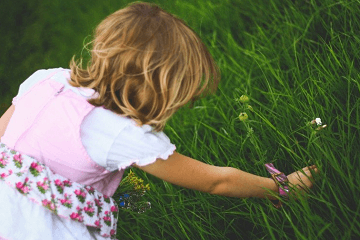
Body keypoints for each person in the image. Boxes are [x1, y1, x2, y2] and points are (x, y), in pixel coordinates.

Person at [0, 1, 319, 239]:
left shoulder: (47, 80)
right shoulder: (120, 134)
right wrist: (281, 187)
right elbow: (215, 180)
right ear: (160, 90)